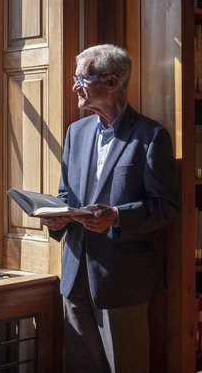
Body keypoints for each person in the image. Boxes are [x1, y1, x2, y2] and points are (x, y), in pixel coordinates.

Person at [41, 44, 179, 373]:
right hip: (75, 277)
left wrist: (116, 217)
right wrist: (57, 216)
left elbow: (166, 207)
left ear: (112, 82)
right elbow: (66, 194)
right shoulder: (77, 133)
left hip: (122, 280)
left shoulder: (151, 136)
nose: (75, 86)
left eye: (82, 78)